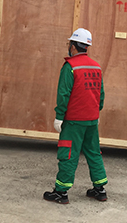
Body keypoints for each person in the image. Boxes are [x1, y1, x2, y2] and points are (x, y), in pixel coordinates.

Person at [43, 28, 108, 205]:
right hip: (91, 120)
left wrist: (59, 116)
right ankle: (100, 189)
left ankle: (61, 192)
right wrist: (96, 112)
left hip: (74, 121)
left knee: (68, 154)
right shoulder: (96, 67)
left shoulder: (70, 67)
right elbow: (100, 94)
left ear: (73, 46)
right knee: (94, 152)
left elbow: (63, 94)